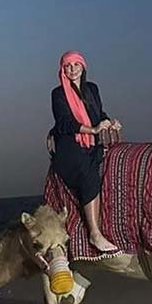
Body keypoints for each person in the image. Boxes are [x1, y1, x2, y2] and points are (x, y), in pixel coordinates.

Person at [48, 51, 121, 253]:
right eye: (67, 66)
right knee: (88, 172)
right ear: (62, 70)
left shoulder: (92, 89)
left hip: (92, 143)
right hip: (69, 146)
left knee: (112, 165)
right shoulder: (58, 93)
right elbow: (64, 123)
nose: (72, 69)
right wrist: (93, 130)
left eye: (75, 65)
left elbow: (98, 114)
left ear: (83, 67)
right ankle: (94, 233)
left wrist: (109, 122)